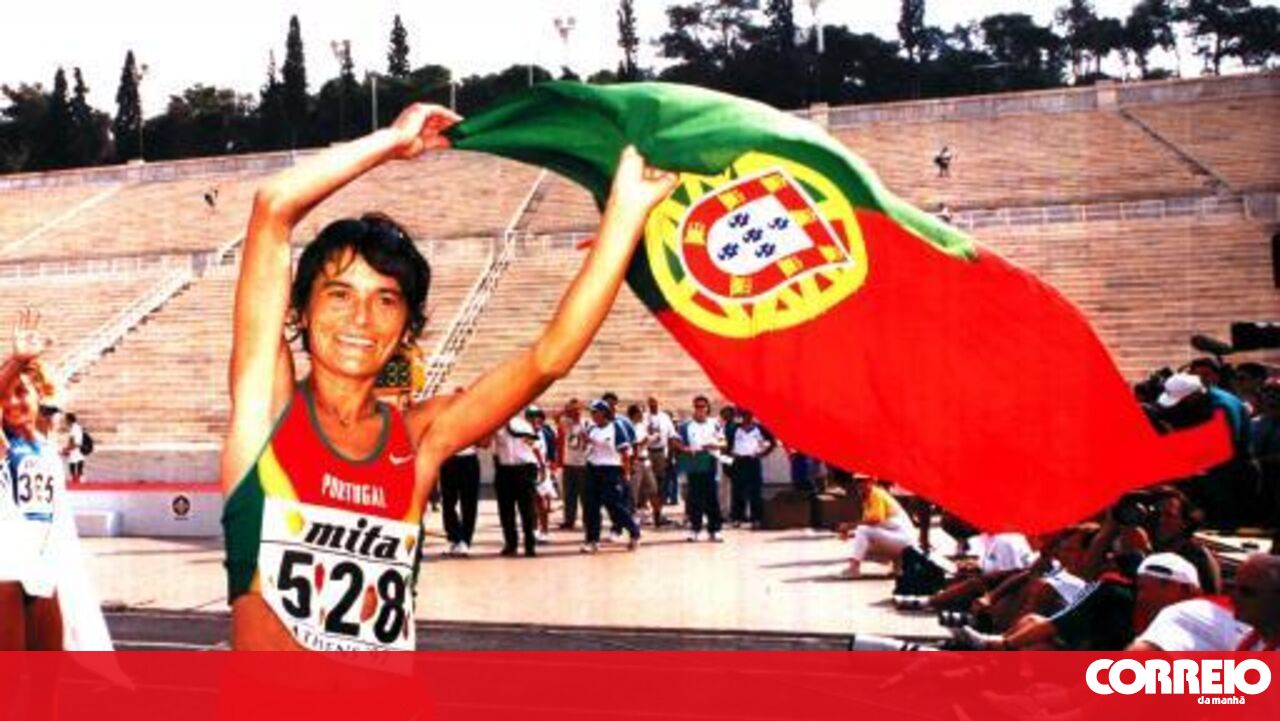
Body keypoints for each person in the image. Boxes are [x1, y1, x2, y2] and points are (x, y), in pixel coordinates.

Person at [219, 103, 678, 650]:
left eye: (385, 300)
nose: (361, 319)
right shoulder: (266, 413)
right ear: (299, 311)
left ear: (407, 327)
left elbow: (548, 359)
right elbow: (272, 207)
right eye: (339, 295)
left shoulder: (418, 439)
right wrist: (391, 142)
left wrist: (625, 216)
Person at [0, 310, 110, 651]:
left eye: (21, 392)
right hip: (6, 567)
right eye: (6, 395)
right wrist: (16, 362)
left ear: (38, 396)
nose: (12, 402)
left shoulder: (46, 446)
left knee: (49, 670)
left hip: (44, 565)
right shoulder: (4, 444)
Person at [582, 399, 639, 553]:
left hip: (611, 469)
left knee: (614, 505)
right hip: (593, 468)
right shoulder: (592, 428)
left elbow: (625, 452)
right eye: (591, 412)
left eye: (595, 412)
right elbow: (587, 448)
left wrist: (626, 472)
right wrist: (586, 443)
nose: (593, 415)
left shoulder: (615, 428)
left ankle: (634, 531)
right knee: (591, 506)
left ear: (603, 413)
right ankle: (592, 540)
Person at [673, 395, 725, 542]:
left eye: (703, 406)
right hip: (695, 462)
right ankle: (695, 528)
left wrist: (715, 445)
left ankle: (714, 529)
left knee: (711, 497)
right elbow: (675, 441)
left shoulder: (714, 424)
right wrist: (685, 449)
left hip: (710, 461)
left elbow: (723, 442)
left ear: (707, 408)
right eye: (697, 406)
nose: (700, 409)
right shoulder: (686, 426)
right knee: (695, 497)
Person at [840, 478, 916, 578]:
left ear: (873, 482)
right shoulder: (868, 497)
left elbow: (875, 520)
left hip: (904, 542)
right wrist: (851, 534)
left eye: (863, 481)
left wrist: (849, 526)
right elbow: (875, 528)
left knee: (862, 531)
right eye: (857, 481)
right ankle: (898, 568)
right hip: (902, 541)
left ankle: (853, 568)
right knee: (860, 536)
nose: (860, 484)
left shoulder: (876, 494)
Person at [438, 388, 484, 557]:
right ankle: (454, 537)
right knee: (448, 502)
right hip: (449, 460)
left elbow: (483, 442)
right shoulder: (444, 417)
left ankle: (465, 540)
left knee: (469, 503)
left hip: (468, 460)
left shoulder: (475, 417)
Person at [493, 409, 543, 557]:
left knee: (527, 510)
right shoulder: (495, 426)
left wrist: (541, 466)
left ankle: (529, 544)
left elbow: (535, 445)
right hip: (504, 470)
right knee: (506, 510)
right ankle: (511, 543)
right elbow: (492, 448)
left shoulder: (522, 425)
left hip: (524, 469)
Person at [729, 409, 776, 529]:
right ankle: (737, 518)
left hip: (753, 461)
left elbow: (772, 442)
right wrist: (731, 454)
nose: (747, 418)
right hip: (739, 462)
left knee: (755, 491)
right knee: (738, 490)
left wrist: (763, 453)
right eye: (744, 415)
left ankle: (756, 519)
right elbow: (726, 444)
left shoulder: (759, 428)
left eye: (749, 415)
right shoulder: (735, 428)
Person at [642, 396, 677, 526]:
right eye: (650, 403)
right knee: (649, 484)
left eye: (655, 403)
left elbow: (671, 436)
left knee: (661, 483)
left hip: (661, 453)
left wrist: (670, 456)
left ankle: (658, 512)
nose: (653, 405)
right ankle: (648, 511)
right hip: (647, 452)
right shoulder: (644, 417)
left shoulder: (664, 418)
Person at [557, 399, 588, 530]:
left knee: (585, 495)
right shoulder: (567, 423)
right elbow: (556, 417)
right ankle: (569, 520)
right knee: (569, 494)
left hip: (583, 464)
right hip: (569, 463)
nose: (575, 413)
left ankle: (588, 520)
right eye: (572, 410)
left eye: (577, 410)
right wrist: (566, 410)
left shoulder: (586, 423)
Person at [63, 412, 85, 484]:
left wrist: (67, 448)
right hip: (77, 447)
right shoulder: (76, 427)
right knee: (79, 461)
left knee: (73, 462)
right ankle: (79, 477)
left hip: (75, 447)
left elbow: (73, 440)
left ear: (69, 420)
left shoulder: (74, 428)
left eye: (66, 419)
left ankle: (75, 478)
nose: (65, 421)